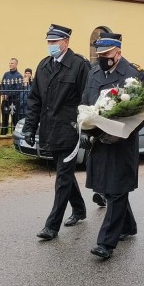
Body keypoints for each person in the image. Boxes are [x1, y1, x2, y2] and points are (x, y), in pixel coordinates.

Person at [81, 33, 144, 260]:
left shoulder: (134, 74)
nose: (102, 58)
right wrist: (84, 128)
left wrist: (121, 134)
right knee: (108, 189)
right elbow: (85, 103)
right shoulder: (94, 73)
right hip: (99, 142)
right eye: (99, 55)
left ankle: (106, 243)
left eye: (106, 54)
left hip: (122, 143)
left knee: (118, 189)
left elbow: (142, 113)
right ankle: (128, 226)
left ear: (118, 52)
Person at [25, 24, 90, 240]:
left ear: (66, 42)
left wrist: (86, 129)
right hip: (50, 130)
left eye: (55, 42)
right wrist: (30, 127)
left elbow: (87, 100)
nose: (51, 46)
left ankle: (52, 226)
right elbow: (35, 99)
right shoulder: (43, 66)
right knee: (65, 173)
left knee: (62, 176)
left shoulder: (79, 65)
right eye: (49, 42)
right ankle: (79, 209)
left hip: (70, 130)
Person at [0, 58, 23, 134]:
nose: (10, 64)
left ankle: (15, 135)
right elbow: (1, 85)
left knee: (14, 119)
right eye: (9, 63)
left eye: (12, 63)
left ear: (16, 64)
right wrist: (3, 94)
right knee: (4, 118)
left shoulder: (19, 76)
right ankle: (3, 135)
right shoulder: (6, 74)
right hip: (5, 101)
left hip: (14, 101)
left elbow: (18, 89)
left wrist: (8, 95)